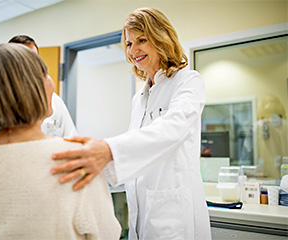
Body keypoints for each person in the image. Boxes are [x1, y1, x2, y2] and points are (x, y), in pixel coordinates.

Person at [51, 7, 212, 240]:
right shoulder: (139, 97)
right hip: (141, 212)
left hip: (174, 214)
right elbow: (139, 151)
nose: (133, 50)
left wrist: (108, 150)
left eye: (142, 40)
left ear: (161, 38)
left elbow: (173, 128)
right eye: (128, 44)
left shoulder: (187, 82)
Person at [0, 43, 121, 239]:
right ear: (32, 89)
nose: (52, 83)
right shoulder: (77, 159)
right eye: (45, 74)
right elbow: (107, 234)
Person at [0, 35, 77, 156]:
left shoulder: (54, 100)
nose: (29, 68)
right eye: (22, 60)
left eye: (33, 60)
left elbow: (72, 142)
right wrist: (5, 147)